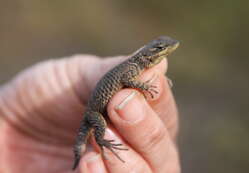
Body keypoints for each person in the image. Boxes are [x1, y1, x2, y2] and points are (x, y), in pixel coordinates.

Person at [0, 54, 180, 173]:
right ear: (150, 54)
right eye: (161, 50)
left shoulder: (137, 66)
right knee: (100, 126)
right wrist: (143, 85)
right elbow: (127, 79)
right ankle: (100, 142)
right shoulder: (133, 66)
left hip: (97, 109)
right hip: (94, 114)